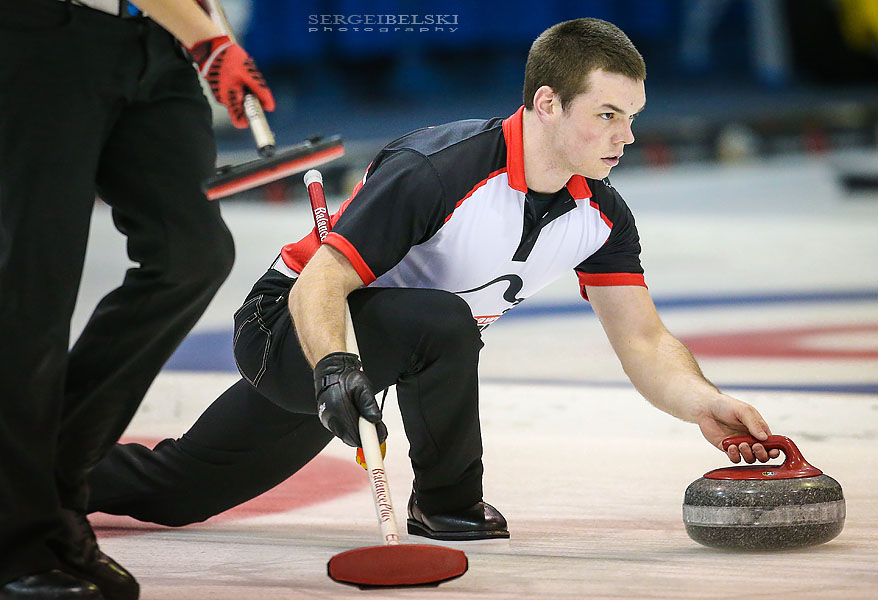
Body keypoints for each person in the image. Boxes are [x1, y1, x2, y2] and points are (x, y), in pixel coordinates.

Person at [85, 17, 780, 548]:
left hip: (379, 347)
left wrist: (705, 403)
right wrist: (334, 369)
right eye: (607, 115)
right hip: (290, 330)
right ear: (546, 103)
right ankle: (446, 503)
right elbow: (317, 286)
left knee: (179, 492)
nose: (625, 137)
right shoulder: (437, 170)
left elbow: (645, 340)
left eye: (632, 118)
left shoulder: (601, 216)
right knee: (444, 322)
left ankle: (40, 475)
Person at [0, 0, 275, 598]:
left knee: (192, 255)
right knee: (33, 293)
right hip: (43, 33)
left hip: (157, 39)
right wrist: (209, 42)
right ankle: (18, 540)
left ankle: (49, 488)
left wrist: (210, 35)